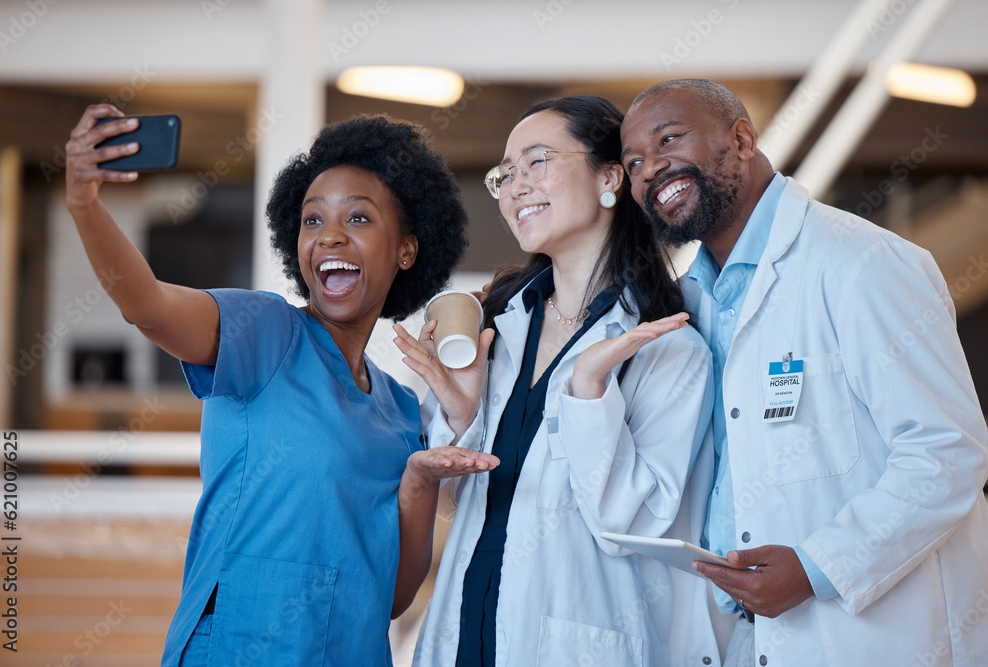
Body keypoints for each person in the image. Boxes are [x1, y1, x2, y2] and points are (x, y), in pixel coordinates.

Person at [64, 106, 499, 666]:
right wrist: (84, 204)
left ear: (407, 249)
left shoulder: (400, 409)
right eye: (312, 221)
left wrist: (418, 481)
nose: (330, 237)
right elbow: (146, 305)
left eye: (359, 219)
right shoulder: (264, 332)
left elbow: (392, 598)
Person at [619, 78, 988, 666]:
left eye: (670, 140)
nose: (650, 169)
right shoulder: (689, 304)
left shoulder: (862, 263)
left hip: (870, 636)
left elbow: (947, 450)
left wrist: (817, 567)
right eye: (633, 161)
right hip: (742, 638)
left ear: (742, 137)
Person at [396, 95, 721, 666]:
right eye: (505, 174)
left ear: (610, 178)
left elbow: (633, 522)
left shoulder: (668, 349)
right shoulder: (493, 327)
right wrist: (461, 415)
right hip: (464, 635)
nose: (514, 186)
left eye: (537, 161)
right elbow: (450, 502)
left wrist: (591, 392)